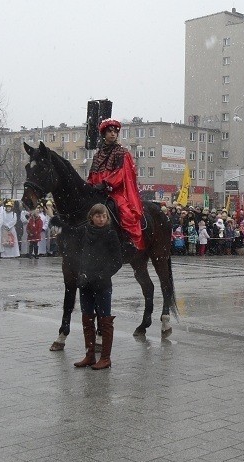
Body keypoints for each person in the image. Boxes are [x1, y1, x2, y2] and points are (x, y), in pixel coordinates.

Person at [73, 204, 123, 370]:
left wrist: (102, 274)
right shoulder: (83, 233)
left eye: (103, 216)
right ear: (91, 217)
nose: (101, 219)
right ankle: (89, 355)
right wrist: (81, 273)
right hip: (85, 283)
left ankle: (105, 358)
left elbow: (117, 261)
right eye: (98, 216)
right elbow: (77, 254)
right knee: (87, 319)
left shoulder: (111, 235)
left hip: (102, 284)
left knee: (105, 320)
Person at [87, 118, 145, 253]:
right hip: (97, 191)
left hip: (115, 191)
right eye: (109, 131)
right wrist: (89, 185)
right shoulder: (97, 155)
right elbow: (92, 175)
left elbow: (121, 173)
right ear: (104, 134)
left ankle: (128, 240)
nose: (113, 134)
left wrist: (106, 184)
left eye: (115, 132)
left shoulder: (121, 152)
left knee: (125, 212)